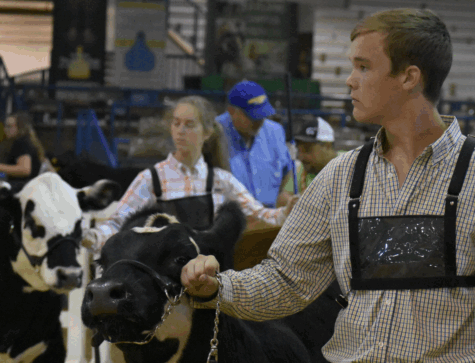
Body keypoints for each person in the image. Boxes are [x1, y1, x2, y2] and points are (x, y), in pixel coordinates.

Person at [181, 8, 475, 363]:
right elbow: (287, 281)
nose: (350, 80)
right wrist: (217, 288)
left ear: (409, 77)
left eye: (363, 67)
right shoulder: (340, 176)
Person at [82, 95, 297, 253]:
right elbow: (118, 222)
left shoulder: (222, 181)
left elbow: (260, 214)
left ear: (207, 132)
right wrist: (92, 237)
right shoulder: (151, 179)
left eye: (189, 125)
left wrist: (286, 212)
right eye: (176, 123)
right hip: (165, 283)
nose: (180, 131)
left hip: (207, 279)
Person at [216, 80, 294, 208]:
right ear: (232, 112)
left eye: (263, 115)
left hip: (270, 214)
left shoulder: (275, 131)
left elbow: (286, 171)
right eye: (253, 116)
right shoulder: (215, 134)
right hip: (232, 214)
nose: (259, 121)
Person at [281, 115, 343, 194]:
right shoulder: (302, 169)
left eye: (307, 150)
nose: (300, 157)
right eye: (299, 150)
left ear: (327, 146)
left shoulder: (349, 164)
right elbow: (283, 196)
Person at [0, 112, 45, 181]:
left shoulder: (22, 143)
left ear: (20, 127)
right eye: (5, 126)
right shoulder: (28, 141)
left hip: (23, 186)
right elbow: (10, 174)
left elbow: (25, 170)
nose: (5, 129)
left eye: (9, 126)